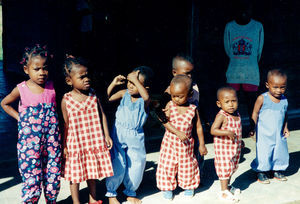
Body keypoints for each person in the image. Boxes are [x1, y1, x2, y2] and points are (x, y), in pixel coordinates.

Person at [0, 45, 61, 203]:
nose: (42, 72)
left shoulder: (52, 87)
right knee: (32, 178)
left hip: (52, 145)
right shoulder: (21, 89)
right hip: (29, 147)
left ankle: (51, 200)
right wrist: (20, 118)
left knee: (52, 177)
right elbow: (5, 103)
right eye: (37, 69)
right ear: (26, 69)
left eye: (45, 68)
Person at [61, 56, 113, 204]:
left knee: (92, 172)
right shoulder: (66, 100)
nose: (87, 79)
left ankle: (93, 198)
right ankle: (76, 202)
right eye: (82, 77)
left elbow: (102, 114)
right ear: (69, 81)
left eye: (87, 75)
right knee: (75, 176)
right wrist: (64, 145)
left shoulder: (93, 94)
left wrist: (107, 135)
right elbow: (65, 125)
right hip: (76, 144)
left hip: (93, 141)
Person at [106, 66, 154, 204]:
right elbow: (106, 99)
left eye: (136, 83)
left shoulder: (144, 101)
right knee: (117, 162)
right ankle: (111, 193)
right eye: (130, 81)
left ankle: (131, 192)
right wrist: (113, 84)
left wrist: (134, 78)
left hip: (135, 135)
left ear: (146, 87)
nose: (131, 85)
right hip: (119, 132)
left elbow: (146, 96)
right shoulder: (123, 93)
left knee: (136, 164)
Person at [156, 75, 208, 200]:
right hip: (170, 143)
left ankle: (189, 185)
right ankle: (167, 187)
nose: (176, 99)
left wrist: (202, 144)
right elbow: (163, 120)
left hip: (186, 145)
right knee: (167, 165)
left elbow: (198, 127)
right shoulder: (170, 105)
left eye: (180, 96)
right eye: (173, 96)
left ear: (190, 94)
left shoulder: (193, 109)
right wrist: (177, 132)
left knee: (187, 165)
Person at [158, 54, 206, 180]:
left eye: (191, 73)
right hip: (175, 130)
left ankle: (195, 176)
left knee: (194, 153)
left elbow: (199, 106)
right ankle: (175, 177)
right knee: (174, 156)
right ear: (175, 72)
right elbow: (161, 111)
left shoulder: (194, 86)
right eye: (186, 73)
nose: (189, 76)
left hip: (192, 125)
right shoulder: (171, 89)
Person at [224, 0, 264, 127]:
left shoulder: (258, 27)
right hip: (233, 71)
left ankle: (253, 128)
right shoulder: (230, 27)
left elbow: (259, 51)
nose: (244, 12)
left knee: (251, 101)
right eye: (240, 9)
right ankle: (233, 128)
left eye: (247, 9)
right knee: (231, 101)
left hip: (251, 72)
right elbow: (228, 49)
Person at [250, 69, 289, 184]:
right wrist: (253, 128)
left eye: (282, 87)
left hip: (278, 133)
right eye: (275, 87)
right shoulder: (262, 98)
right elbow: (255, 113)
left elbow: (285, 115)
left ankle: (277, 169)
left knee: (280, 151)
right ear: (267, 85)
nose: (279, 90)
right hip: (264, 134)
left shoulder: (284, 100)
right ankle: (262, 171)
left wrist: (286, 127)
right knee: (264, 152)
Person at [210, 86, 242, 202]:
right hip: (224, 149)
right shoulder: (222, 115)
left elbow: (237, 131)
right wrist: (226, 132)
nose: (231, 105)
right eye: (227, 102)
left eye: (233, 101)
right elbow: (213, 130)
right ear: (219, 104)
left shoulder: (237, 114)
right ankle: (223, 192)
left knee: (232, 168)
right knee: (224, 169)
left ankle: (228, 187)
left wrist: (240, 140)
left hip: (234, 148)